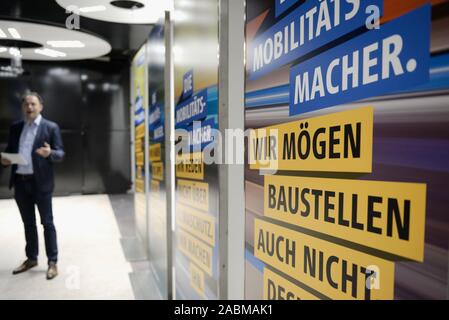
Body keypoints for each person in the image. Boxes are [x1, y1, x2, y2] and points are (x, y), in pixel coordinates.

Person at [1, 92, 65, 280]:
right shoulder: (16, 128)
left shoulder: (51, 127)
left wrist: (50, 153)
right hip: (20, 183)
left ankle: (52, 262)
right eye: (26, 104)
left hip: (41, 184)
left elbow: (61, 154)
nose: (29, 108)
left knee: (47, 223)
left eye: (33, 104)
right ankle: (31, 258)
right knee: (28, 223)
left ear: (40, 107)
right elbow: (8, 153)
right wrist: (5, 160)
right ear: (22, 107)